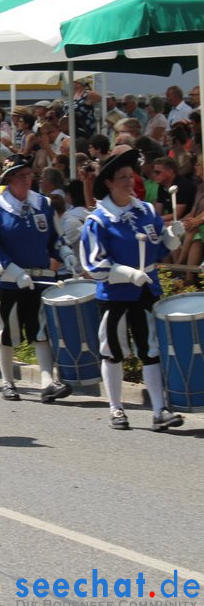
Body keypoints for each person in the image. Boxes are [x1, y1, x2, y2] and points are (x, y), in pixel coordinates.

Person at [80, 148, 185, 431]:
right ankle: (116, 408)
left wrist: (172, 238)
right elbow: (94, 264)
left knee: (150, 348)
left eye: (131, 175)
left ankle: (159, 410)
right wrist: (126, 273)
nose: (129, 181)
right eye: (122, 177)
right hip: (115, 295)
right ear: (109, 184)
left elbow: (159, 247)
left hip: (146, 290)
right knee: (112, 349)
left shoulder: (146, 211)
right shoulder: (98, 220)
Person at [0, 154, 79, 404]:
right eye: (20, 175)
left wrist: (66, 253)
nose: (26, 179)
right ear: (9, 179)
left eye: (28, 174)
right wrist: (14, 272)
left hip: (41, 278)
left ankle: (47, 381)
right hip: (11, 281)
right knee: (8, 330)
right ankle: (8, 382)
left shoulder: (43, 204)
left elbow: (56, 238)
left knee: (41, 329)